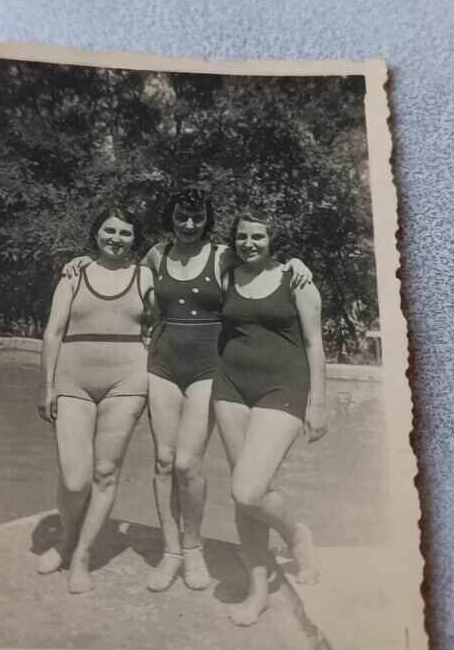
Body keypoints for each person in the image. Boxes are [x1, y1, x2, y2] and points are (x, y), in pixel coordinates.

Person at [63, 185, 312, 595]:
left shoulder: (221, 256)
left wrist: (296, 263)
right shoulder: (156, 256)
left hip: (208, 367)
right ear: (171, 218)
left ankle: (194, 548)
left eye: (197, 218)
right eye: (182, 217)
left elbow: (261, 263)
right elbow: (119, 268)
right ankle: (172, 551)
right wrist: (81, 261)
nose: (189, 225)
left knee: (186, 464)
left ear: (208, 221)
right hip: (162, 365)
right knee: (163, 461)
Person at [212, 207, 328, 626]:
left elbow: (314, 344)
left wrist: (318, 401)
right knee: (244, 493)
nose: (250, 244)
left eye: (258, 237)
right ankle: (257, 591)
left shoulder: (295, 279)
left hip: (283, 388)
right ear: (234, 240)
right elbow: (171, 260)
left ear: (271, 239)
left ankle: (296, 533)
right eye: (243, 237)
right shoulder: (225, 274)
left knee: (248, 490)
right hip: (230, 388)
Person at [37, 207, 154, 593]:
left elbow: (170, 321)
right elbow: (53, 332)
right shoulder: (75, 274)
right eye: (109, 230)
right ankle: (65, 539)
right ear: (96, 233)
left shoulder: (145, 277)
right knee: (74, 478)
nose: (116, 238)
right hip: (74, 380)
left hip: (127, 380)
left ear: (134, 239)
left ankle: (82, 554)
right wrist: (48, 385)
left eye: (125, 233)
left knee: (105, 473)